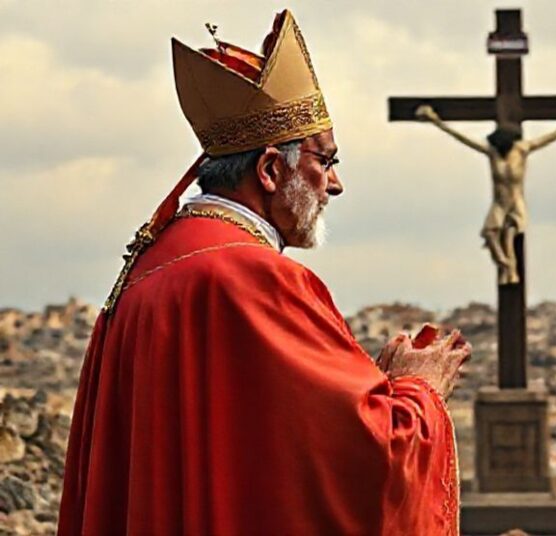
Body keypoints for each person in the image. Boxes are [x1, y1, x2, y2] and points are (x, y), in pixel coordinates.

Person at [58, 10, 471, 535]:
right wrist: (419, 391)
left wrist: (377, 386)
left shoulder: (155, 262)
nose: (335, 184)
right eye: (326, 161)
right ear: (272, 170)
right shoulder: (255, 277)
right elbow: (368, 459)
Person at [415, 102, 556, 285]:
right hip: (499, 202)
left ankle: (511, 271)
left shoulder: (523, 149)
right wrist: (436, 121)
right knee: (490, 233)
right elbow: (462, 138)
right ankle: (506, 265)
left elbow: (555, 135)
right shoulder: (493, 153)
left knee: (509, 235)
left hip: (515, 200)